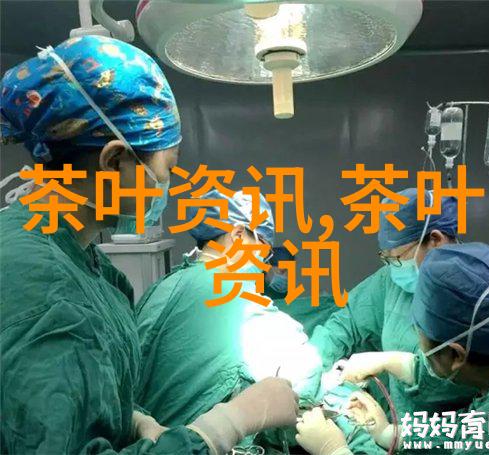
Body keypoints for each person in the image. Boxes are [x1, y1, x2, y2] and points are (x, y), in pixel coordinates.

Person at [0, 35, 298, 454]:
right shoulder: (42, 286)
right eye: (167, 167)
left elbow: (75, 398)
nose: (166, 185)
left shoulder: (85, 262)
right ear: (114, 161)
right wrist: (225, 425)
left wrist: (131, 417)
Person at [297, 243, 489, 454]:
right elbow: (465, 431)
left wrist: (334, 450)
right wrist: (390, 433)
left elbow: (483, 437)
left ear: (456, 355)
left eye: (424, 349)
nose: (421, 359)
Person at [136, 189, 321, 429]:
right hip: (193, 442)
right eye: (263, 250)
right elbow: (305, 371)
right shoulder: (233, 296)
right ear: (238, 235)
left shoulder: (164, 285)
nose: (264, 262)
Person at [305, 189, 477, 415]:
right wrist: (312, 360)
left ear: (435, 240)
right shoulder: (392, 280)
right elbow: (349, 322)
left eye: (396, 258)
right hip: (394, 419)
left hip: (445, 429)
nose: (392, 266)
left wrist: (394, 363)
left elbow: (461, 380)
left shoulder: (475, 293)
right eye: (385, 257)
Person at [265, 246, 340, 336]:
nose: (286, 277)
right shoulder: (254, 289)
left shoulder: (282, 292)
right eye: (282, 271)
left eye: (289, 272)